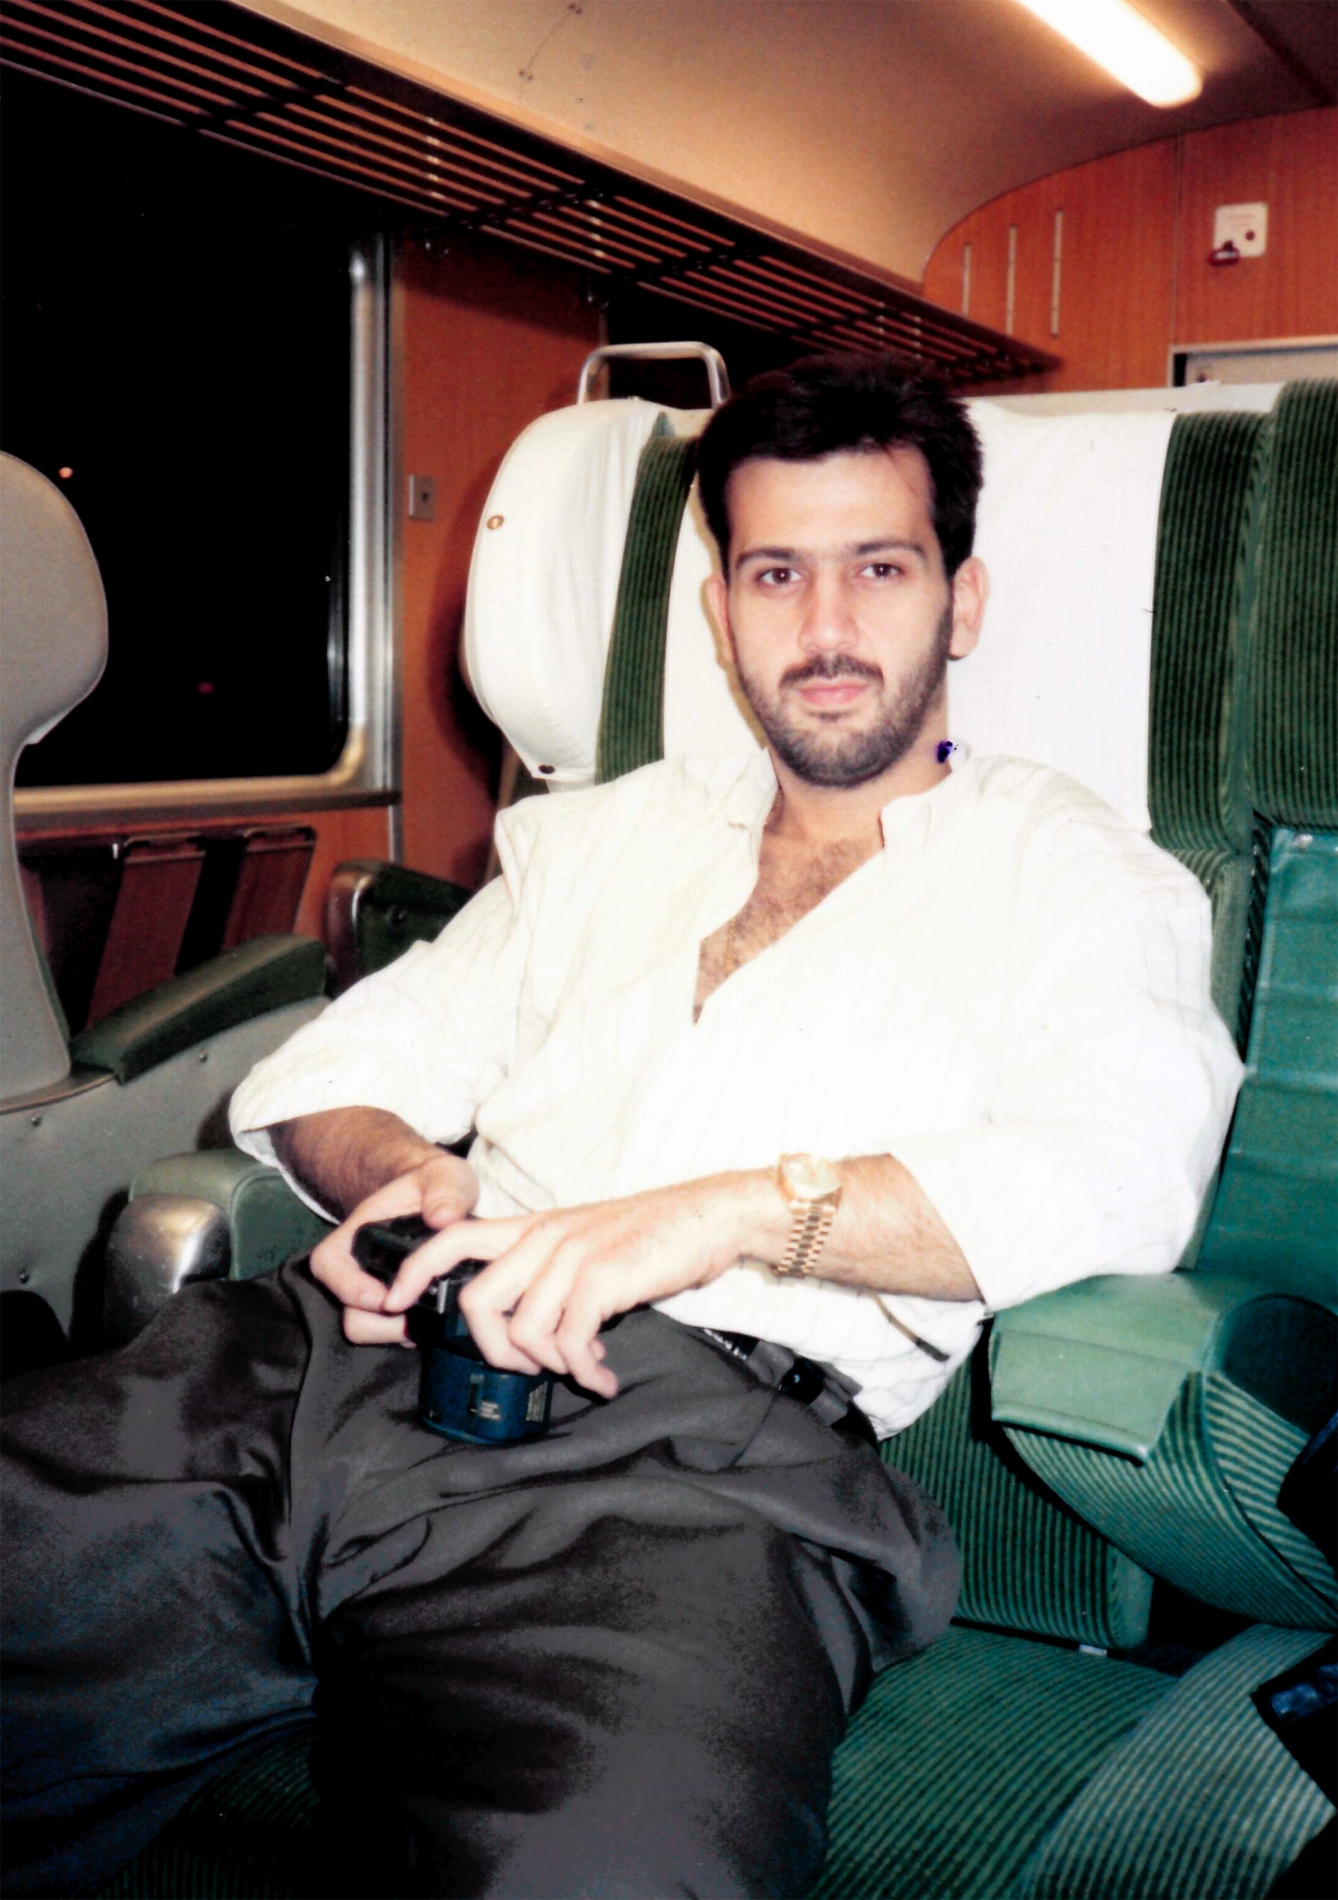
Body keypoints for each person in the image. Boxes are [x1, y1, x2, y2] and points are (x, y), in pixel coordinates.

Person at [2, 355, 1242, 1900]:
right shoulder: (599, 838)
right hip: (320, 1368)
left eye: (879, 568)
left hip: (685, 1468)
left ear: (962, 601)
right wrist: (402, 1179)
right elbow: (327, 1078)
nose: (826, 626)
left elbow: (1118, 1175)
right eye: (775, 574)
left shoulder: (1076, 876)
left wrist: (715, 1216)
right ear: (719, 612)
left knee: (605, 1867)